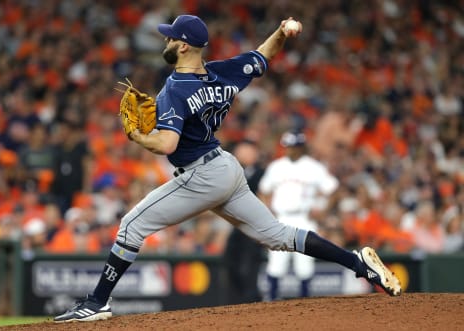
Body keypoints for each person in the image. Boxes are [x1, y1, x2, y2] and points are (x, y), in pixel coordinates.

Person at [54, 14, 401, 323]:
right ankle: (358, 263)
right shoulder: (223, 72)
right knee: (277, 236)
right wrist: (282, 31)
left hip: (203, 173)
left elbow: (167, 145)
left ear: (186, 47)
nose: (166, 40)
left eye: (171, 37)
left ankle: (97, 302)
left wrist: (136, 135)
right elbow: (264, 55)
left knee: (132, 225)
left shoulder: (175, 88)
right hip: (226, 168)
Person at [258, 131, 338, 300]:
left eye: (293, 147)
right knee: (276, 264)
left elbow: (333, 190)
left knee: (305, 265)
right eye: (287, 146)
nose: (289, 150)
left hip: (304, 219)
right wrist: (268, 211)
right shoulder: (277, 167)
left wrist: (323, 211)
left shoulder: (314, 167)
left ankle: (305, 305)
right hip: (281, 219)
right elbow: (263, 191)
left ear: (301, 147)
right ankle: (271, 302)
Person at [223, 140, 265, 304]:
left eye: (247, 150)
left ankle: (251, 298)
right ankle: (237, 298)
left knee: (250, 261)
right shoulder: (232, 171)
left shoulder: (262, 173)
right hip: (237, 223)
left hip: (254, 223)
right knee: (230, 259)